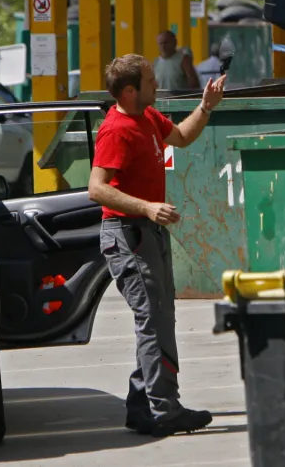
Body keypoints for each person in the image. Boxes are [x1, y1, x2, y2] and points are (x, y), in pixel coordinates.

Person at [87, 53, 225, 438]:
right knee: (153, 321)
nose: (157, 86)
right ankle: (164, 409)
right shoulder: (116, 130)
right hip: (128, 235)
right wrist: (147, 207)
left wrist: (205, 107)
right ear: (130, 91)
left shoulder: (146, 117)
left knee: (160, 318)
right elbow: (96, 188)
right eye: (150, 82)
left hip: (148, 234)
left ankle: (142, 406)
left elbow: (180, 136)